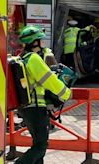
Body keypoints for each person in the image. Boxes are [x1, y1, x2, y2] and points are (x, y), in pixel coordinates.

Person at [15, 26, 72, 164]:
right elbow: (49, 80)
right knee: (41, 146)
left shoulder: (21, 57)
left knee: (37, 144)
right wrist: (66, 93)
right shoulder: (34, 58)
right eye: (40, 40)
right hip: (36, 109)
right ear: (34, 42)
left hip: (25, 107)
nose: (42, 43)